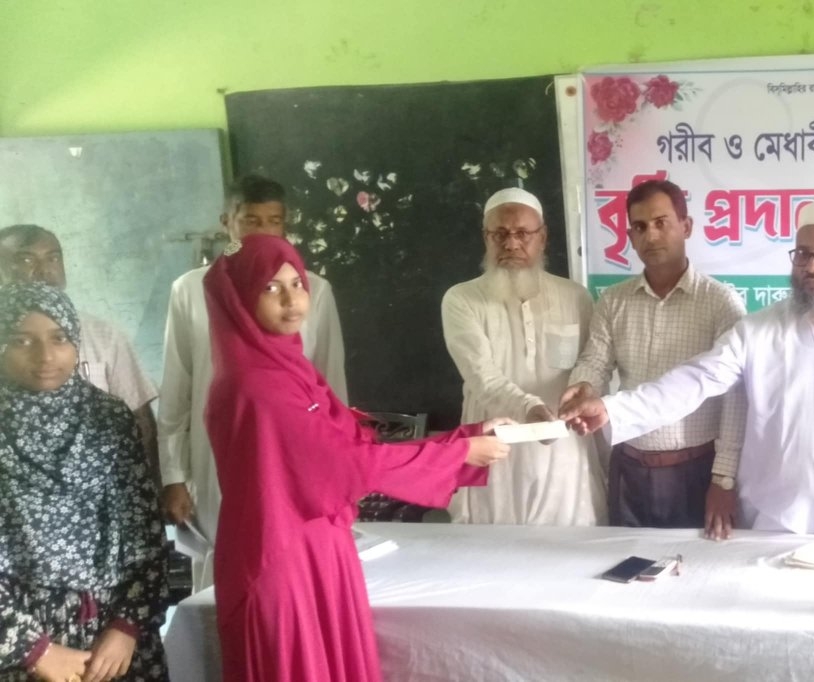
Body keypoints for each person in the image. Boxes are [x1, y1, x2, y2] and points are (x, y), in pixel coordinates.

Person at [203, 234, 510, 681]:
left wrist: (465, 438)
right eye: (270, 288)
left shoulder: (286, 368)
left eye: (297, 283)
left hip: (313, 545)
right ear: (238, 300)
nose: (291, 299)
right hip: (281, 558)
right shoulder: (256, 386)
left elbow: (349, 448)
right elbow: (347, 465)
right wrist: (459, 451)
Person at [563, 201, 814, 536]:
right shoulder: (758, 332)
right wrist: (612, 409)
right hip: (778, 524)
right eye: (802, 254)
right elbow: (693, 382)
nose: (811, 266)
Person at [157, 174, 347, 589]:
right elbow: (177, 387)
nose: (262, 232)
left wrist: (337, 465)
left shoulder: (313, 290)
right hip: (215, 452)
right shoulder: (191, 290)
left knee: (291, 565)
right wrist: (173, 475)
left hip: (294, 451)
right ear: (227, 222)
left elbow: (331, 384)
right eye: (250, 221)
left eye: (273, 221)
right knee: (222, 560)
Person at [0, 283, 169, 682]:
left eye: (59, 338)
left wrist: (128, 625)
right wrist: (32, 649)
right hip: (23, 644)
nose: (45, 356)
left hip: (115, 639)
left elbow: (145, 532)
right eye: (22, 340)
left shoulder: (109, 418)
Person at [562, 180, 748, 538]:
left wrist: (723, 479)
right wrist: (583, 387)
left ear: (686, 226)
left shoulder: (720, 303)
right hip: (628, 468)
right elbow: (596, 361)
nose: (651, 235)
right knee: (624, 565)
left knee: (695, 568)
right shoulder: (613, 301)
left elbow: (735, 399)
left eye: (662, 223)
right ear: (630, 236)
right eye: (640, 227)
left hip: (695, 471)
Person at [442, 188, 605, 525]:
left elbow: (591, 364)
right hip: (494, 447)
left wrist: (580, 400)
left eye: (522, 233)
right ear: (486, 238)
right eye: (500, 234)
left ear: (542, 237)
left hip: (563, 448)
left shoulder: (576, 297)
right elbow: (482, 376)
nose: (511, 244)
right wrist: (529, 409)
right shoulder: (461, 299)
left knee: (570, 544)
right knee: (492, 546)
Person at [0, 224, 161, 486]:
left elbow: (140, 416)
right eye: (26, 259)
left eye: (53, 258)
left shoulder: (103, 334)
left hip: (99, 492)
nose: (44, 270)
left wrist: (154, 486)